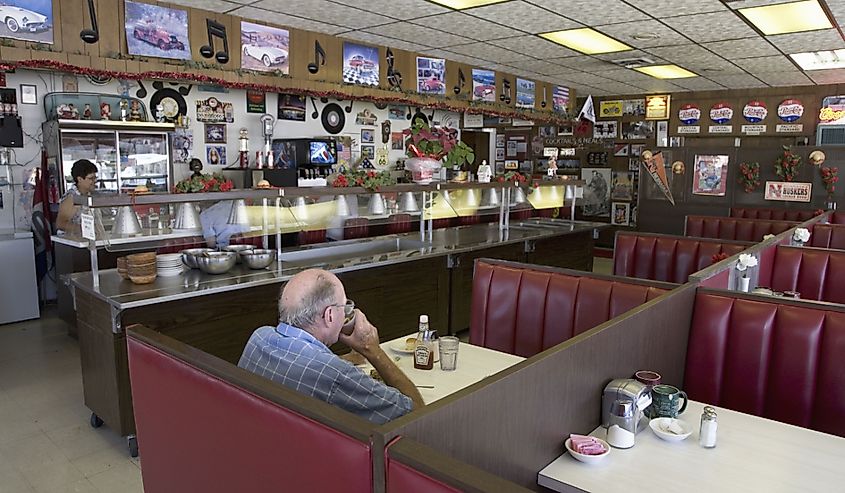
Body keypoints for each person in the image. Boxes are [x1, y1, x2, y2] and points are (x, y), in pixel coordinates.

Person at [238, 269, 424, 424]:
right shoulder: (335, 374)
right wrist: (372, 350)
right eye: (344, 307)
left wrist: (346, 358)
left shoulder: (259, 337)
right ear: (329, 316)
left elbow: (294, 362)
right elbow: (415, 414)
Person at [56, 159, 98, 234]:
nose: (95, 181)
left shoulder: (90, 194)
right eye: (91, 178)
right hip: (71, 241)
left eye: (95, 178)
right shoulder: (72, 197)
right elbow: (61, 224)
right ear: (80, 179)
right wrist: (85, 230)